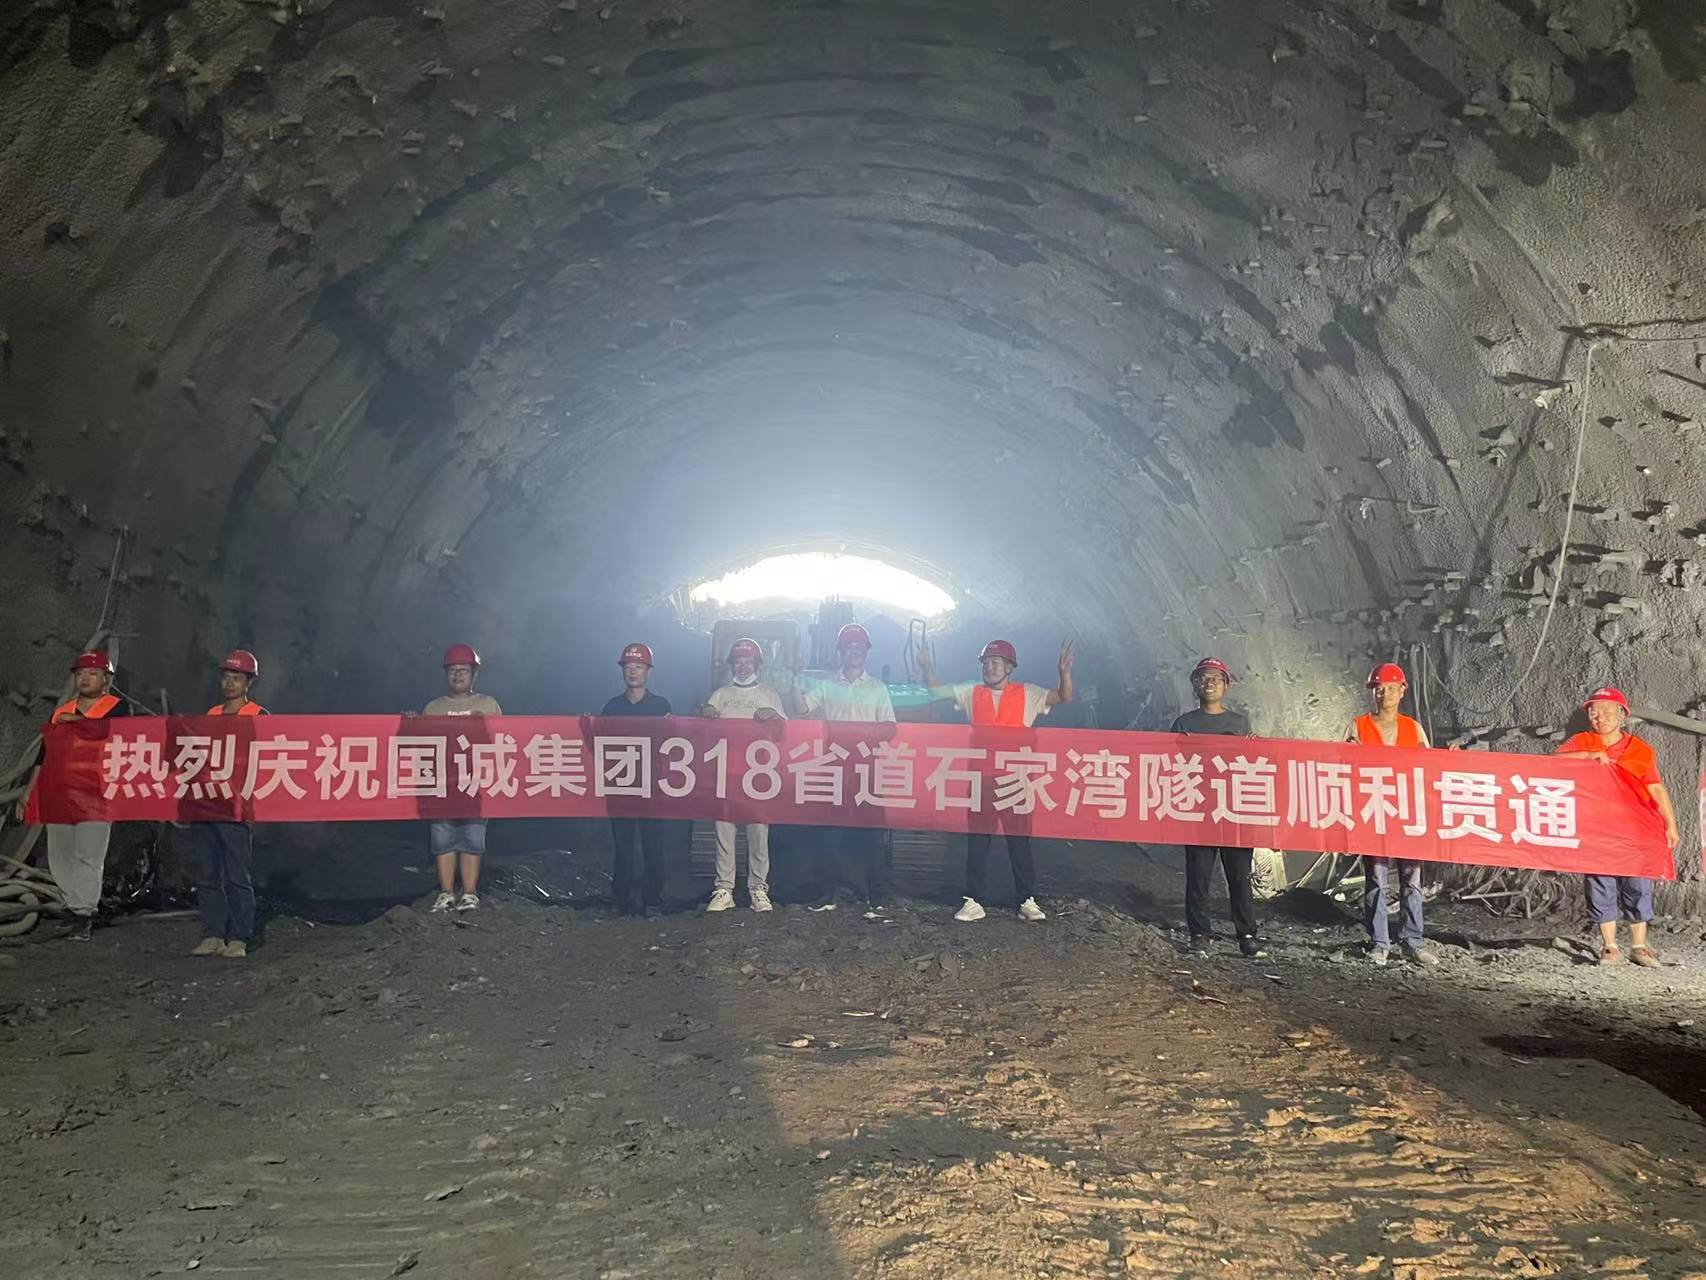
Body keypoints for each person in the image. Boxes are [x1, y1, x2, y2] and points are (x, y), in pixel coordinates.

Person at [916, 636, 1073, 923]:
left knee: (1019, 841)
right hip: (982, 778)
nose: (990, 667)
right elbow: (937, 690)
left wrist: (1064, 672)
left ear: (1010, 667)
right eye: (986, 663)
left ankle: (1026, 899)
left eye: (996, 662)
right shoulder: (972, 693)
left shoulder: (1028, 694)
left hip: (1016, 779)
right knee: (978, 840)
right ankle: (974, 900)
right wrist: (927, 667)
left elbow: (1063, 697)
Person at [1556, 686, 1679, 967]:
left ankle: (1639, 946)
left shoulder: (1639, 750)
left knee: (1637, 883)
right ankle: (1610, 947)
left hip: (1635, 829)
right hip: (1595, 829)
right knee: (1600, 883)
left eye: (1607, 712)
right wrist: (1586, 757)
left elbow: (1656, 789)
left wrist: (1671, 824)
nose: (1600, 717)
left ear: (1622, 715)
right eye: (1594, 712)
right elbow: (1551, 764)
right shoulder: (1581, 742)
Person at [18, 650, 128, 941]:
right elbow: (44, 756)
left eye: (92, 673)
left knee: (88, 855)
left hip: (96, 795)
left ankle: (83, 914)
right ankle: (72, 906)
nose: (85, 678)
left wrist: (77, 721)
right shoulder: (60, 712)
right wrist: (29, 792)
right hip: (60, 794)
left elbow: (117, 735)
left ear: (106, 680)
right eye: (80, 674)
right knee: (60, 854)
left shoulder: (117, 708)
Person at [792, 623, 897, 904]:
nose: (855, 651)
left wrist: (862, 738)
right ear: (841, 651)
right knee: (831, 829)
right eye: (849, 646)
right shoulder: (828, 685)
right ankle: (829, 892)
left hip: (867, 766)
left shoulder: (877, 688)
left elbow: (890, 727)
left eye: (859, 646)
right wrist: (796, 677)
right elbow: (801, 708)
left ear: (866, 652)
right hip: (835, 766)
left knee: (873, 830)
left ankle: (878, 893)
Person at [1347, 662, 1438, 968]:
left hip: (1407, 813)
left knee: (1412, 881)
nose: (1383, 693)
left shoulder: (1414, 728)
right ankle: (1380, 943)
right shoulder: (1358, 726)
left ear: (1402, 692)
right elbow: (1343, 765)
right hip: (1374, 813)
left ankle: (1413, 941)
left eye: (1390, 687)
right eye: (1378, 687)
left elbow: (1429, 767)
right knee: (1376, 879)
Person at [1170, 657, 1262, 958]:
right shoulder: (1184, 724)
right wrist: (1177, 744)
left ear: (1226, 685)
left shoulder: (1239, 723)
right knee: (1198, 877)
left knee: (1239, 876)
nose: (1209, 683)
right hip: (1199, 809)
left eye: (1215, 678)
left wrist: (1255, 747)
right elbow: (1166, 763)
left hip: (1234, 809)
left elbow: (1251, 764)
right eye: (1203, 679)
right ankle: (1200, 934)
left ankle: (1247, 935)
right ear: (1195, 685)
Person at [700, 637, 786, 913]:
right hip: (726, 774)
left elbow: (786, 735)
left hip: (759, 777)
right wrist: (705, 714)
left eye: (748, 661)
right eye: (739, 661)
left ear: (757, 664)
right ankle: (724, 889)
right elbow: (702, 735)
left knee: (758, 832)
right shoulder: (720, 696)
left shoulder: (769, 695)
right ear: (732, 665)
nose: (743, 666)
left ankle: (758, 888)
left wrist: (775, 716)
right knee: (723, 831)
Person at [189, 651, 266, 958]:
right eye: (226, 677)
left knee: (237, 874)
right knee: (208, 873)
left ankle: (239, 937)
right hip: (207, 802)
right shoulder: (211, 715)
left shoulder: (259, 716)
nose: (229, 683)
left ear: (249, 683)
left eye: (236, 678)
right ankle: (213, 934)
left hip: (237, 806)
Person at [418, 643, 503, 914]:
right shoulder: (433, 707)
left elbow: (502, 741)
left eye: (463, 670)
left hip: (475, 784)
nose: (457, 675)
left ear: (474, 674)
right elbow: (421, 745)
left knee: (472, 839)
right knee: (442, 839)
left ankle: (469, 894)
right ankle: (446, 894)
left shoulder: (488, 705)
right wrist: (410, 724)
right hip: (443, 784)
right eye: (452, 670)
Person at [600, 642, 671, 917]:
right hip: (621, 786)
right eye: (628, 666)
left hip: (652, 786)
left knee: (654, 844)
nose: (633, 671)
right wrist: (586, 729)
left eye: (638, 666)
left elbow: (672, 744)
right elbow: (600, 746)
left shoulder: (660, 706)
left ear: (648, 672)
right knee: (623, 846)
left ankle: (653, 899)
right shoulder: (612, 707)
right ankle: (621, 900)